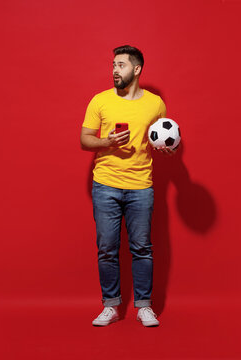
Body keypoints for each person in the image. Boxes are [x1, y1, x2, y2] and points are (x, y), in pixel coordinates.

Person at [80, 45, 176, 327]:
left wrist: (165, 149)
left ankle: (144, 307)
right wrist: (106, 142)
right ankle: (111, 306)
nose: (114, 70)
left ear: (137, 69)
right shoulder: (100, 101)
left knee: (142, 248)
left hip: (141, 186)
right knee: (107, 249)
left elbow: (160, 138)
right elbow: (85, 139)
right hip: (105, 185)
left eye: (120, 65)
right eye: (113, 65)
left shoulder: (156, 104)